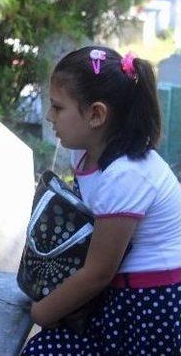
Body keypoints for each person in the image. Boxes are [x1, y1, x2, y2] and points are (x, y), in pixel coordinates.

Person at [21, 46, 181, 355]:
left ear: (96, 114)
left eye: (57, 107)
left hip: (152, 307)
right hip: (122, 297)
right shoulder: (84, 153)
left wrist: (44, 311)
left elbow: (98, 272)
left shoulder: (127, 175)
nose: (49, 116)